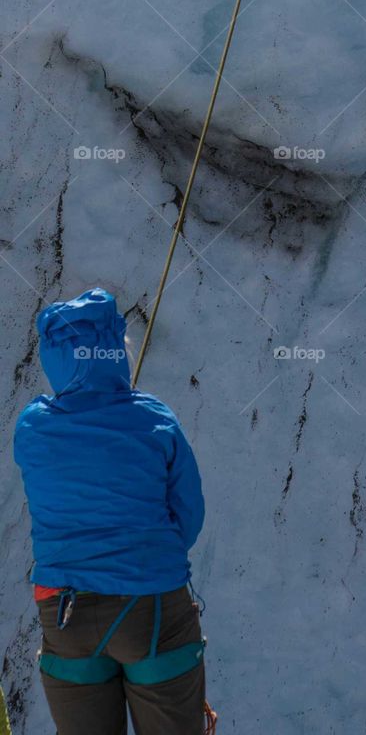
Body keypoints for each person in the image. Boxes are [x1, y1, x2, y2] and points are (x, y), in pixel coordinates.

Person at [13, 288, 208, 735]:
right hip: (154, 608)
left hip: (66, 615)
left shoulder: (32, 426)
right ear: (114, 349)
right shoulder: (155, 418)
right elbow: (189, 513)